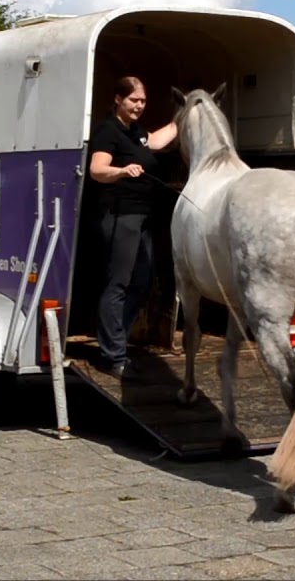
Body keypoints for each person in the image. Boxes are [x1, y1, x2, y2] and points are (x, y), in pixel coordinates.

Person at [87, 76, 178, 379]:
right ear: (118, 99)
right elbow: (97, 170)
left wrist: (185, 116)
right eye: (133, 100)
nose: (139, 105)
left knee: (141, 282)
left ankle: (114, 340)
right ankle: (111, 355)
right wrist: (122, 171)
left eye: (142, 101)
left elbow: (153, 142)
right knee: (118, 284)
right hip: (120, 215)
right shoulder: (107, 131)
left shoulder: (136, 131)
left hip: (144, 217)